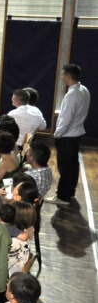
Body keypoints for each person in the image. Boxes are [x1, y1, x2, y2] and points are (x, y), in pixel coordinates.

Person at [48, 63, 90, 205]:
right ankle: (70, 192)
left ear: (67, 76)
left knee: (65, 167)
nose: (61, 77)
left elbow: (66, 118)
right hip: (77, 133)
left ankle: (63, 196)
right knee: (73, 165)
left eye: (62, 74)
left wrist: (57, 134)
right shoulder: (84, 90)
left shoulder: (72, 94)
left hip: (67, 136)